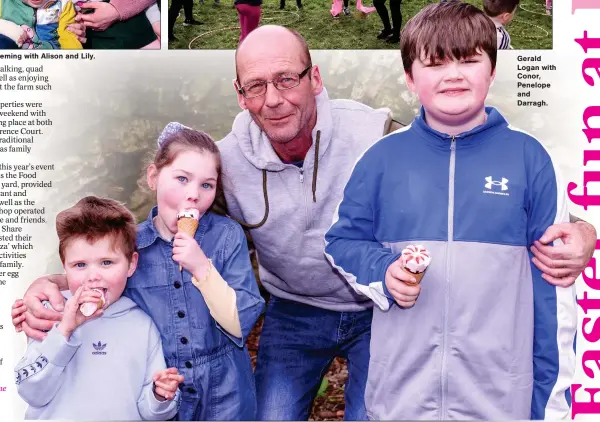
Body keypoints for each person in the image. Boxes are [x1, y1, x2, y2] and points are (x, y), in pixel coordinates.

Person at [17, 25, 596, 421]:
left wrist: (583, 230)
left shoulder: (376, 135)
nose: (275, 99)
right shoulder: (222, 165)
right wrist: (55, 279)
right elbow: (155, 226)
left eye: (288, 79)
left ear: (315, 79)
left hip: (379, 309)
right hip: (294, 312)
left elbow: (465, 168)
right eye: (257, 87)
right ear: (241, 96)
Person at [324, 2, 576, 420]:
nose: (454, 74)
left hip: (500, 403)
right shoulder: (381, 159)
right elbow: (342, 242)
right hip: (401, 400)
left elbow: (556, 299)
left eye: (469, 59)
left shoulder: (532, 160)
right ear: (409, 77)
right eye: (435, 62)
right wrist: (384, 273)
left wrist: (549, 408)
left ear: (492, 70)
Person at [15, 123, 265, 420]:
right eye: (182, 179)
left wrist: (201, 267)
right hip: (161, 388)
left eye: (206, 185)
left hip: (226, 391)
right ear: (153, 177)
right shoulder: (134, 245)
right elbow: (101, 274)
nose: (193, 195)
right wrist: (46, 284)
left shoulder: (227, 236)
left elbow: (240, 324)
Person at [14, 196, 182, 420]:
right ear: (64, 266)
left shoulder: (143, 325)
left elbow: (151, 413)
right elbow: (31, 392)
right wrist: (63, 331)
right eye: (80, 265)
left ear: (131, 264)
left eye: (106, 263)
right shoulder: (49, 313)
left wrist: (160, 396)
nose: (93, 276)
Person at [0, 0, 80, 49]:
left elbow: (69, 37)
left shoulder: (63, 5)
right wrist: (12, 30)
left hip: (50, 57)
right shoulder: (5, 3)